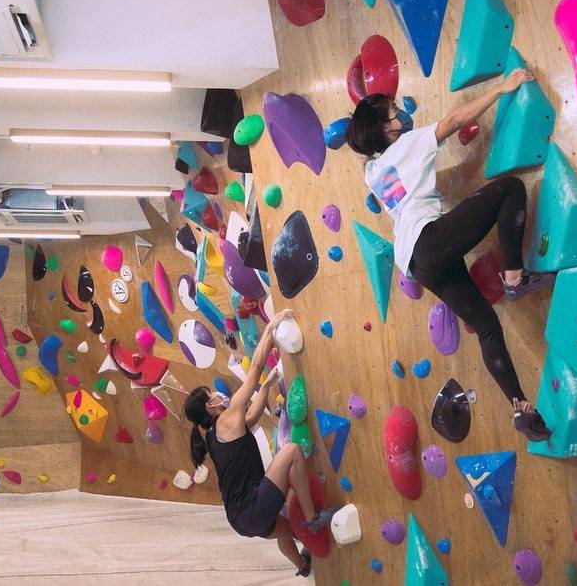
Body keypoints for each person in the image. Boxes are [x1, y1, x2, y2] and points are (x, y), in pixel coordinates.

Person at [346, 69, 555, 441]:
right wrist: (502, 87)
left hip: (419, 265)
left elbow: (368, 161)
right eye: (393, 110)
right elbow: (456, 120)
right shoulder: (405, 146)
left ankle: (520, 407)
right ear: (384, 127)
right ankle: (514, 277)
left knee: (487, 326)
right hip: (428, 241)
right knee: (510, 188)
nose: (399, 113)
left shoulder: (373, 171)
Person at [184, 310, 335, 578]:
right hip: (251, 508)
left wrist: (266, 387)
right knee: (291, 451)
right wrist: (269, 329)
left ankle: (302, 566)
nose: (217, 393)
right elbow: (254, 369)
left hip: (239, 519)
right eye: (212, 393)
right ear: (210, 404)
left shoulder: (214, 434)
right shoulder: (226, 419)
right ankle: (313, 518)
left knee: (286, 530)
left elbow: (252, 417)